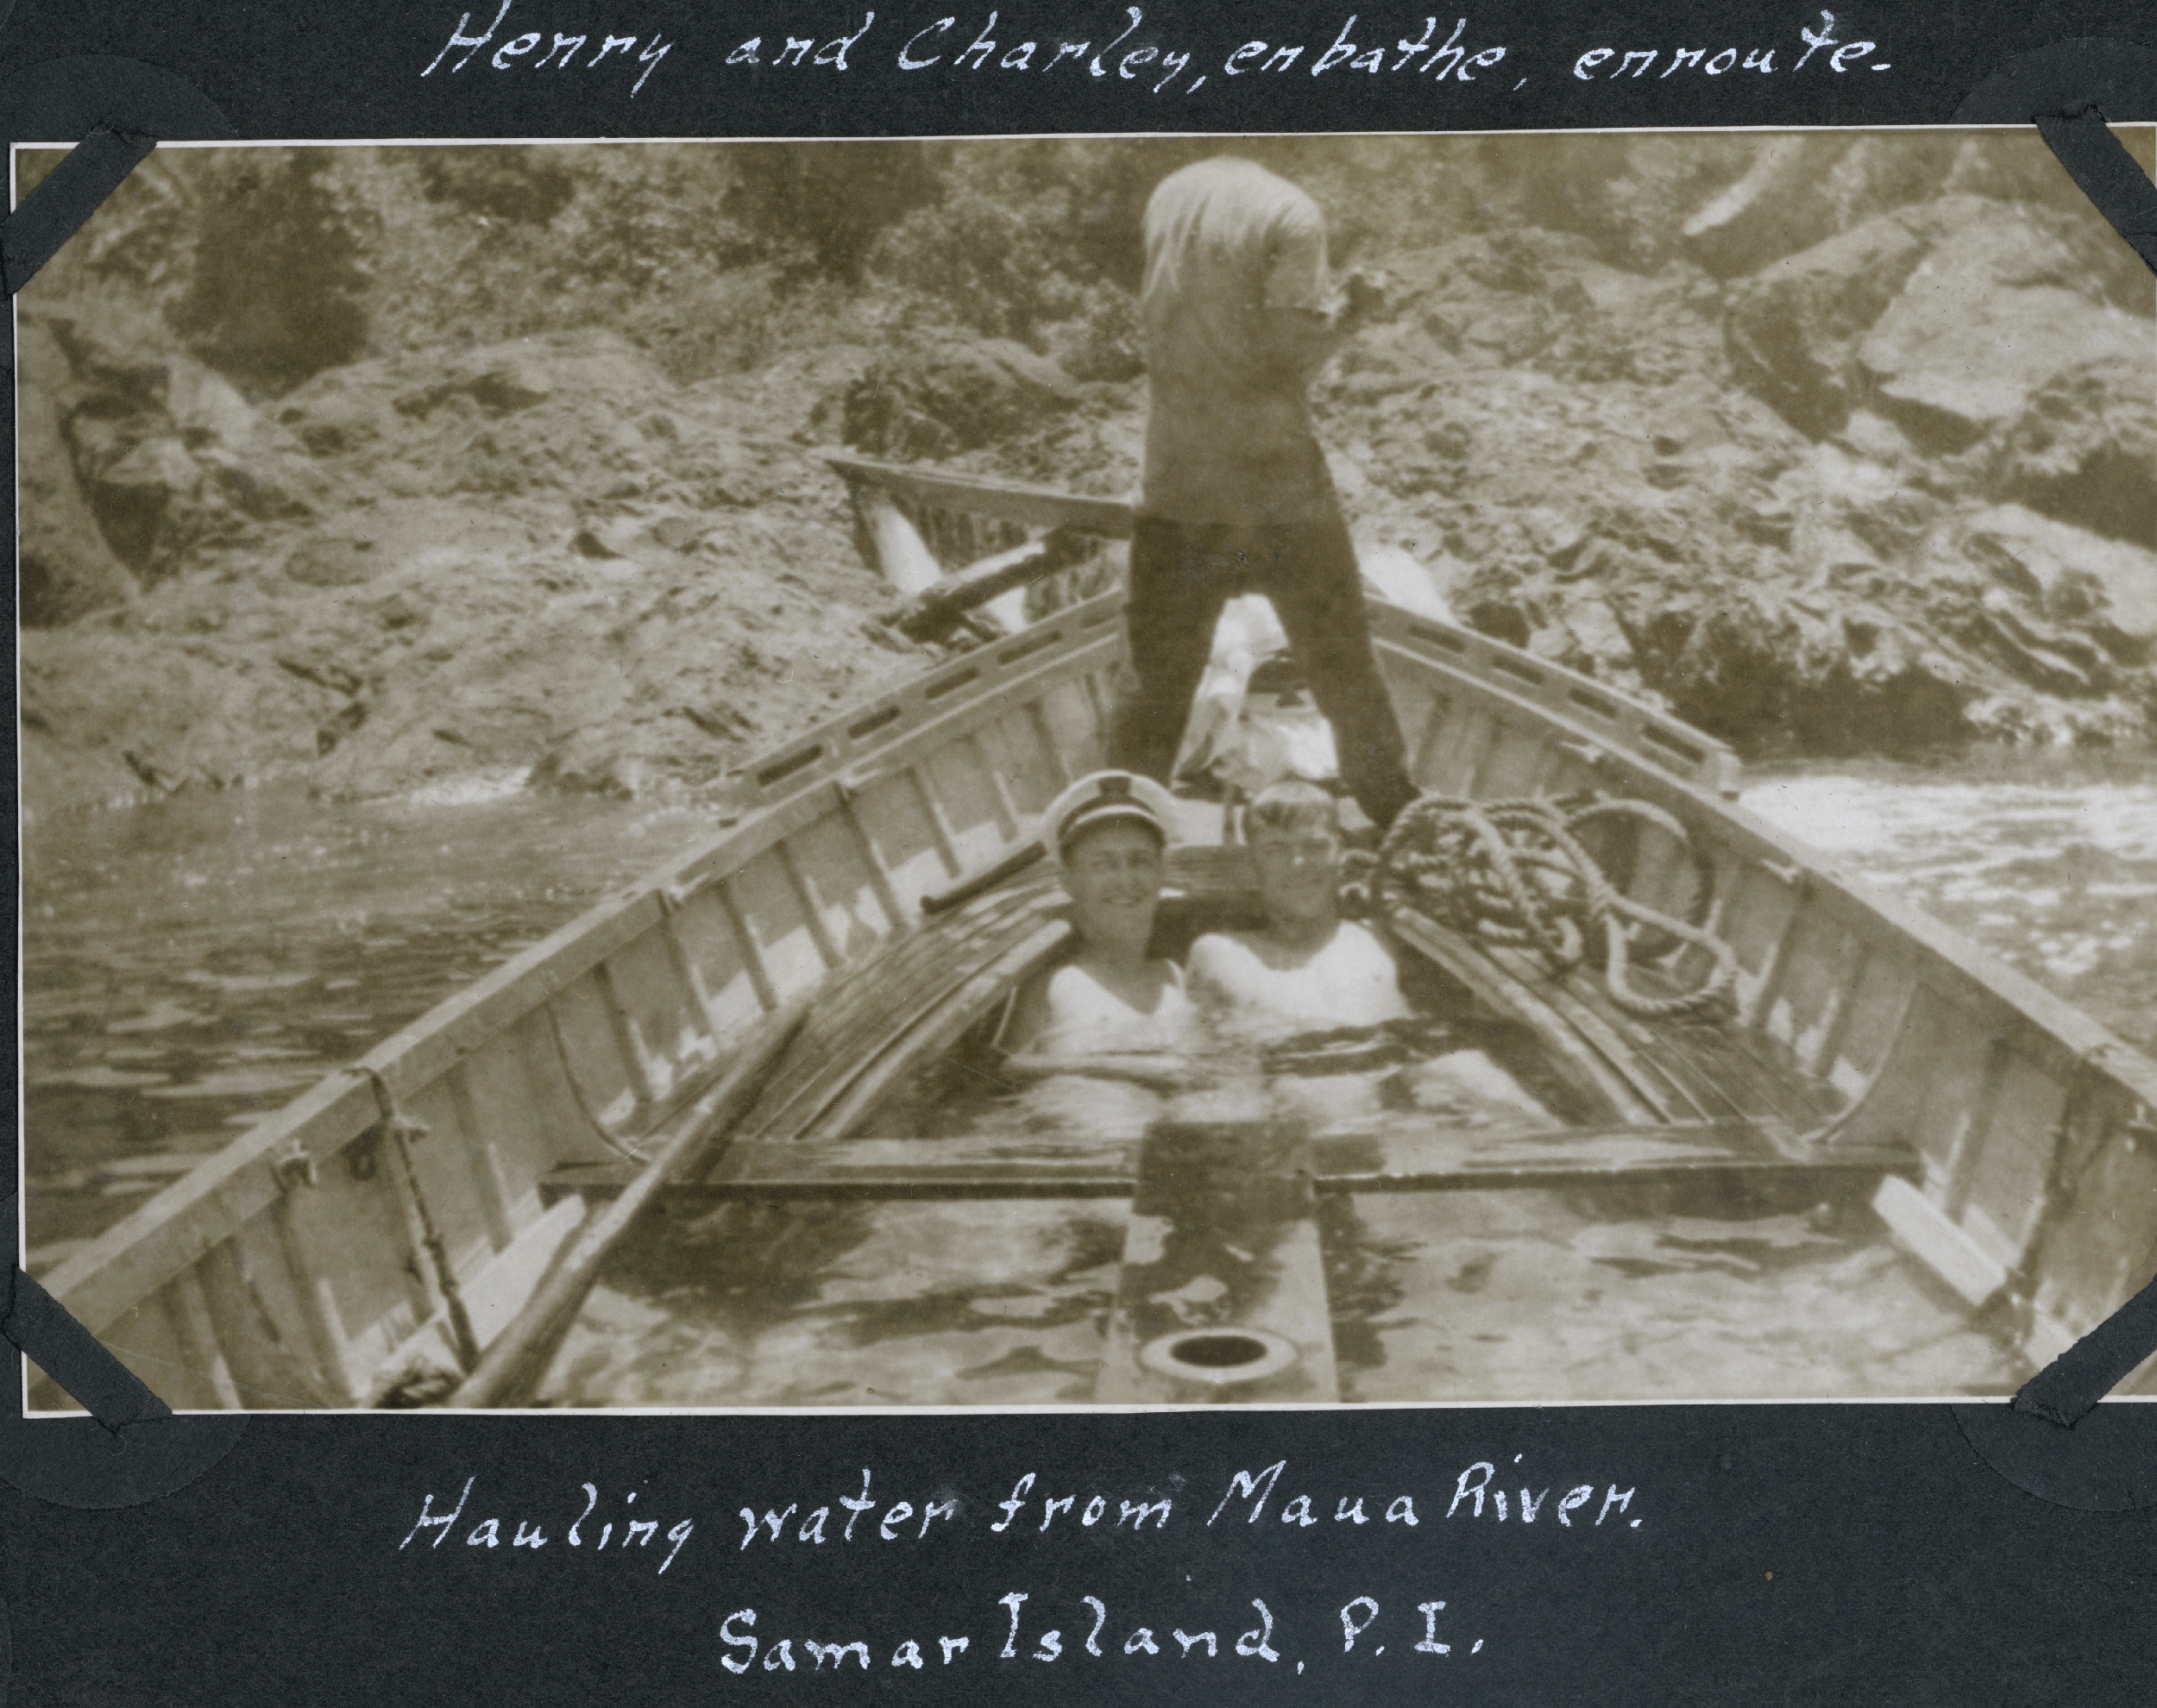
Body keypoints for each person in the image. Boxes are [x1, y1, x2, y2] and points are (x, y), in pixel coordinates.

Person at [1108, 154, 1418, 834]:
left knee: (1155, 691)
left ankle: (1116, 831)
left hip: (1175, 491)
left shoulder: (1171, 191)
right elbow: (1285, 370)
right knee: (1343, 669)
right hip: (1276, 499)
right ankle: (1397, 821)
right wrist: (1356, 312)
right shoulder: (1289, 212)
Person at [1187, 777, 1409, 1036]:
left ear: (1340, 850)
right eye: (1276, 849)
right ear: (1250, 863)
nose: (1298, 863)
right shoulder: (1220, 956)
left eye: (1315, 845)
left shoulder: (1384, 937)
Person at [1003, 770, 1200, 1058]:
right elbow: (1008, 1077)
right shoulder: (1051, 989)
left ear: (1162, 873)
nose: (1125, 879)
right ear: (1068, 882)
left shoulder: (1172, 978)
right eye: (1103, 864)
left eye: (1139, 861)